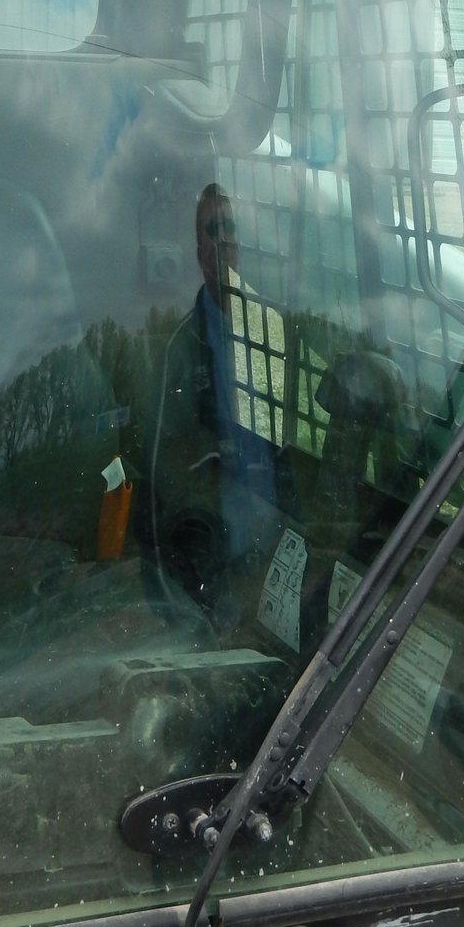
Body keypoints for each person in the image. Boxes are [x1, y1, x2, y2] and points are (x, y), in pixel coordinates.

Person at [147, 184, 290, 626]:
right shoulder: (179, 349)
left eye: (230, 227)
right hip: (214, 559)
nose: (224, 238)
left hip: (277, 547)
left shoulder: (271, 329)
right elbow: (166, 470)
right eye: (212, 229)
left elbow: (289, 439)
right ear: (199, 252)